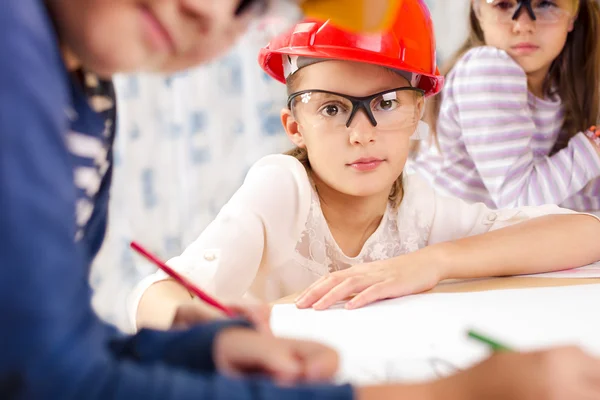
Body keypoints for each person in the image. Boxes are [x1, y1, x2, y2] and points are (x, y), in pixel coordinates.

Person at [3, 0, 600, 399]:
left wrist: (433, 261)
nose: (361, 132)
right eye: (333, 109)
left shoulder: (417, 202)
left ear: (420, 112)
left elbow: (585, 232)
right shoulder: (280, 188)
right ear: (294, 125)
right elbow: (130, 312)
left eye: (387, 103)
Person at [409, 0, 600, 212]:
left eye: (545, 4)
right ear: (478, 13)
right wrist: (594, 147)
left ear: (573, 14)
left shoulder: (561, 85)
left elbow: (563, 191)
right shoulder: (487, 67)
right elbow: (519, 202)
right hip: (438, 229)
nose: (523, 26)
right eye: (503, 5)